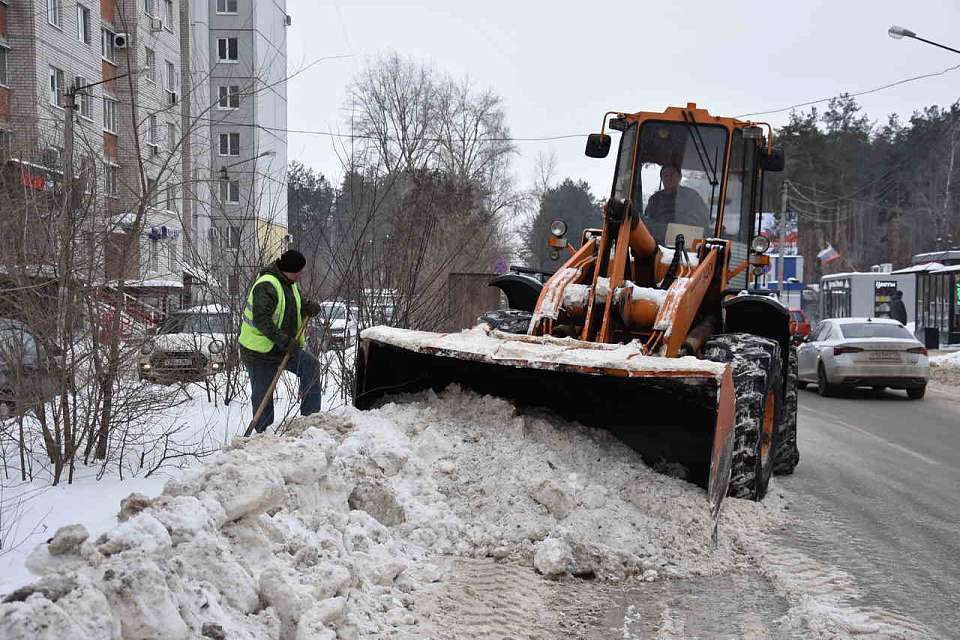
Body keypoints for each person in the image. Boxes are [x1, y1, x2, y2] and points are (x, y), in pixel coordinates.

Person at [238, 249, 324, 433]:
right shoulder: (266, 286)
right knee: (263, 395)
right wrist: (285, 341)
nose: (301, 274)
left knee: (310, 366)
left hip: (283, 347)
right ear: (292, 270)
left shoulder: (289, 283)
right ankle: (263, 433)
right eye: (300, 270)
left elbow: (295, 303)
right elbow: (261, 320)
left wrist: (308, 307)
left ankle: (310, 420)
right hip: (259, 351)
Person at [643, 164, 710, 242]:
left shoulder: (692, 197)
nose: (668, 178)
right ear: (662, 178)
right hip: (658, 242)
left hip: (685, 242)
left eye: (672, 175)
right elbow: (647, 222)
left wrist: (678, 223)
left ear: (679, 177)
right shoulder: (655, 199)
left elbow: (702, 220)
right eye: (665, 175)